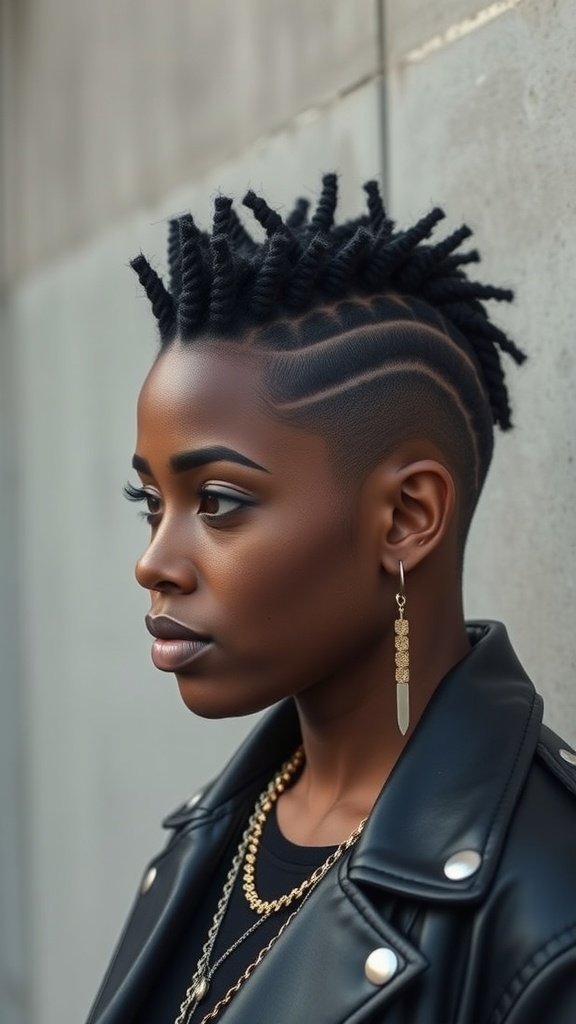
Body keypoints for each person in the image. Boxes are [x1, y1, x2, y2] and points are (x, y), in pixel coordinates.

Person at [86, 176, 576, 1024]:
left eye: (218, 502)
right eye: (151, 503)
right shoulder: (207, 838)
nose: (154, 563)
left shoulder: (547, 908)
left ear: (406, 518)